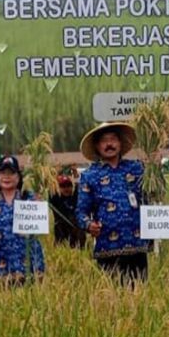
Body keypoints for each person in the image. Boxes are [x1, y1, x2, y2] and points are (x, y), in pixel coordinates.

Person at [76, 121, 150, 283]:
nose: (109, 144)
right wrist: (89, 225)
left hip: (137, 245)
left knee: (141, 299)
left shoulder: (137, 169)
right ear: (97, 146)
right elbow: (81, 212)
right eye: (104, 140)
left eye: (113, 139)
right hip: (107, 248)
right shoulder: (89, 175)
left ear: (121, 143)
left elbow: (155, 194)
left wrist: (156, 168)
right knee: (111, 300)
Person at [0, 155, 45, 286]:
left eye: (11, 173)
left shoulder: (30, 199)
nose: (6, 177)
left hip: (31, 265)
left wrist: (40, 205)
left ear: (18, 176)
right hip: (3, 268)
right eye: (2, 172)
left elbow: (40, 230)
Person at [49, 174, 86, 249]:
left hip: (76, 233)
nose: (66, 188)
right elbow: (49, 189)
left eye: (69, 185)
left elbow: (80, 185)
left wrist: (74, 175)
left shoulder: (76, 197)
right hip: (61, 233)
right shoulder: (56, 198)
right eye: (63, 186)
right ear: (58, 188)